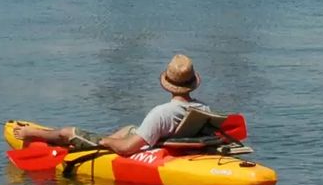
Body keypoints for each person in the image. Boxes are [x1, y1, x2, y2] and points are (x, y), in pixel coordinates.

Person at [12, 54, 209, 156]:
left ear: (168, 84)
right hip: (169, 140)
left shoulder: (161, 113)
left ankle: (34, 134)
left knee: (69, 132)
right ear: (192, 83)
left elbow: (126, 149)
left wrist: (108, 143)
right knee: (129, 128)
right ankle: (97, 142)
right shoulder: (204, 109)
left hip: (148, 148)